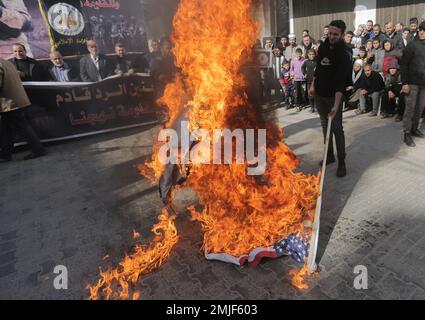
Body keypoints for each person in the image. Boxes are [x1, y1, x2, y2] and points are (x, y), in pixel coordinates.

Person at [311, 20, 352, 178]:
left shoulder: (344, 53)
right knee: (324, 126)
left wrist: (336, 105)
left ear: (341, 35)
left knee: (336, 128)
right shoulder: (322, 46)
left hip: (334, 97)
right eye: (330, 33)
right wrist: (314, 84)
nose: (332, 36)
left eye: (336, 34)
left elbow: (341, 83)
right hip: (320, 95)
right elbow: (319, 68)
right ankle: (329, 156)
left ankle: (342, 161)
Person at [0, 58, 46, 162]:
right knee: (6, 128)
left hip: (9, 102)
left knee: (22, 127)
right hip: (13, 101)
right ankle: (5, 153)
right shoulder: (5, 62)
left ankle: (38, 149)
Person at [400, 20, 425, 147]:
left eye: (424, 30)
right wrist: (404, 82)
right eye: (420, 29)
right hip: (412, 82)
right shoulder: (412, 45)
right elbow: (403, 64)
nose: (422, 32)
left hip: (424, 84)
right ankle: (407, 133)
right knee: (410, 108)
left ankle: (414, 129)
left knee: (419, 108)